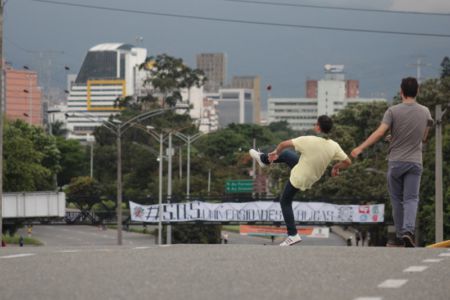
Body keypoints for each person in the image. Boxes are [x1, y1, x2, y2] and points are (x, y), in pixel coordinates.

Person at [351, 77, 433, 248]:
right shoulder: (425, 112)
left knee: (396, 199)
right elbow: (424, 137)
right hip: (415, 162)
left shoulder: (393, 111)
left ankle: (400, 234)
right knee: (411, 199)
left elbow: (380, 132)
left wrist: (361, 147)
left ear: (401, 92)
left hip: (396, 162)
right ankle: (408, 231)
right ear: (417, 91)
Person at [250, 115, 352, 246]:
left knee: (285, 201)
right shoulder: (334, 145)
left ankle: (293, 235)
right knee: (286, 155)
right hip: (312, 175)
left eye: (316, 124)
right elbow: (347, 162)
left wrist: (275, 152)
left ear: (318, 127)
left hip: (300, 176)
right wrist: (336, 167)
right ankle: (263, 159)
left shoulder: (309, 140)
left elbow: (283, 144)